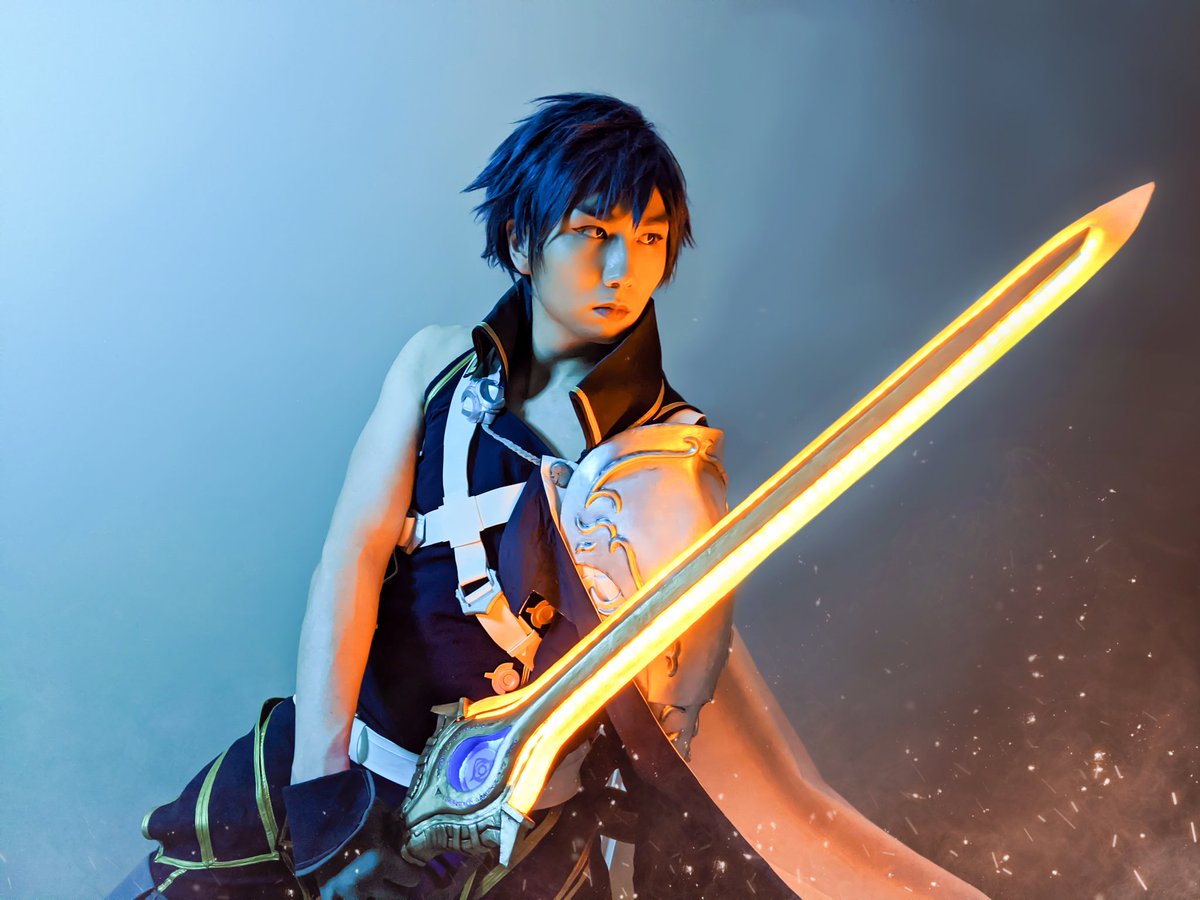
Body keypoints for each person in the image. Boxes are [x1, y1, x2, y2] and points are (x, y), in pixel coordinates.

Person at [109, 92, 775, 900]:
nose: (621, 270)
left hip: (504, 836)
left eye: (649, 239)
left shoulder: (666, 459)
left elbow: (668, 704)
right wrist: (322, 791)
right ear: (521, 240)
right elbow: (351, 559)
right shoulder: (437, 367)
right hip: (335, 763)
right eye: (593, 233)